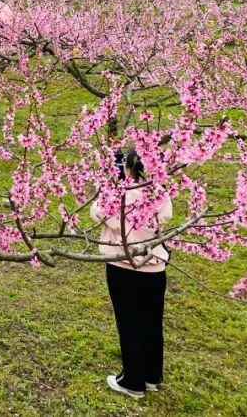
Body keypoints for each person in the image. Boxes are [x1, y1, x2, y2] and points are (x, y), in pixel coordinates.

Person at [91, 150, 172, 400]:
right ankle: (151, 376)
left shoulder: (119, 192)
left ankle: (132, 381)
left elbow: (98, 212)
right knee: (151, 322)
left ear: (128, 168)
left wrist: (106, 188)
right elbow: (165, 217)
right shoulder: (160, 192)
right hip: (154, 265)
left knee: (129, 321)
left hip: (123, 264)